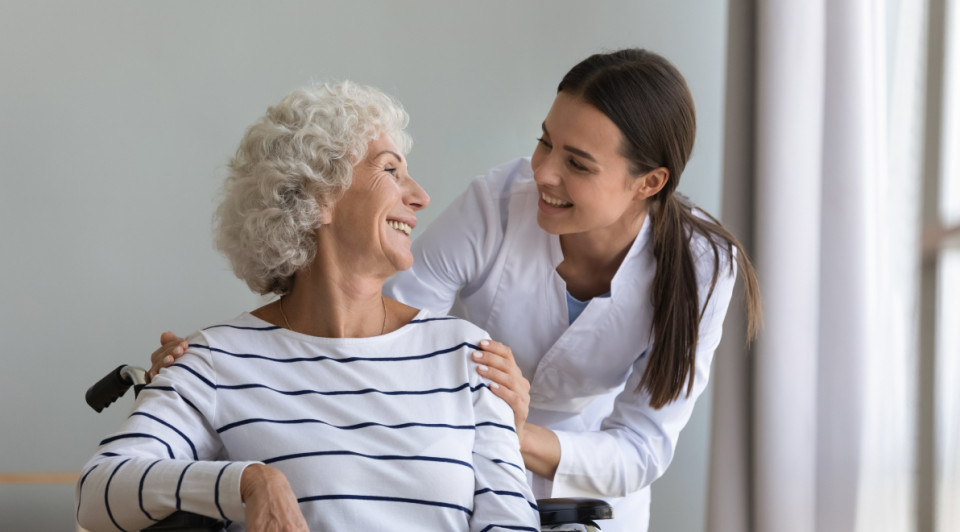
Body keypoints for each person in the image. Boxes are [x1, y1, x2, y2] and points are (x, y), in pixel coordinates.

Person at [149, 48, 761, 532]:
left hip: (586, 487)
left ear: (647, 182)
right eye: (545, 140)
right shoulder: (497, 203)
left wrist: (501, 427)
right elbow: (373, 325)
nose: (542, 171)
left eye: (577, 163)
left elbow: (641, 450)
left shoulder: (703, 268)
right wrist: (206, 373)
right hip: (457, 449)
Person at [76, 82, 539, 532]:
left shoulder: (467, 355)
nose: (419, 196)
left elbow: (512, 522)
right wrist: (250, 482)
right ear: (320, 197)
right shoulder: (215, 362)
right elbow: (99, 491)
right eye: (390, 170)